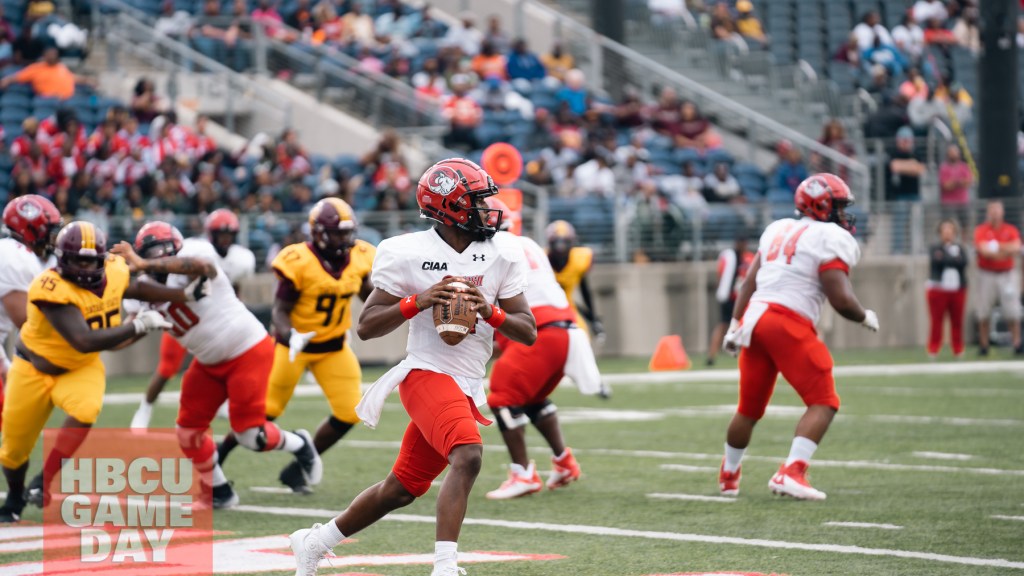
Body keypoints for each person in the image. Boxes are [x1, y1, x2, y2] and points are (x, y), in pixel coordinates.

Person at [288, 158, 536, 576]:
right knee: (469, 454)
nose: (487, 209)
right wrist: (416, 301)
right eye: (476, 202)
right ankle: (445, 567)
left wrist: (490, 313)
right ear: (449, 208)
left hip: (468, 382)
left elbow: (527, 331)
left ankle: (314, 542)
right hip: (424, 371)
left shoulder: (502, 252)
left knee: (400, 490)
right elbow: (366, 326)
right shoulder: (407, 252)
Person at [0, 221, 207, 522]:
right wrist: (136, 325)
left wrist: (185, 295)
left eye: (89, 259)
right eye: (76, 259)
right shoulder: (50, 287)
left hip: (79, 369)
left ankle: (45, 480)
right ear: (62, 259)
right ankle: (16, 497)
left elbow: (134, 287)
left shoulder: (115, 269)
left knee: (86, 409)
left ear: (101, 260)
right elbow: (82, 340)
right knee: (12, 451)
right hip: (32, 369)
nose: (84, 267)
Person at [114, 221, 321, 508]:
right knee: (187, 430)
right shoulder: (142, 291)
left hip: (247, 349)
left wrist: (145, 263)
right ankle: (219, 491)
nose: (158, 260)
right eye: (152, 254)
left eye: (163, 253)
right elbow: (127, 332)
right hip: (208, 361)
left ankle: (299, 443)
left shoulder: (196, 254)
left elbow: (203, 267)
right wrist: (105, 339)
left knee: (249, 435)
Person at [719, 173, 879, 501]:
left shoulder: (777, 228)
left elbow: (750, 281)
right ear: (822, 205)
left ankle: (729, 474)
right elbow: (840, 297)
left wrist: (735, 324)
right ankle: (791, 471)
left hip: (755, 320)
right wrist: (864, 316)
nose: (843, 214)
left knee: (748, 409)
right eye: (838, 206)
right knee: (824, 400)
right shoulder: (831, 237)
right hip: (786, 321)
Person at [217, 198, 374, 494]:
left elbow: (369, 295)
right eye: (338, 233)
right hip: (293, 349)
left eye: (347, 232)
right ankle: (217, 459)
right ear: (318, 232)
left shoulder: (360, 256)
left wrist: (396, 302)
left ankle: (299, 466)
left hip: (334, 348)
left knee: (351, 411)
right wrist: (289, 335)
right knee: (263, 415)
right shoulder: (298, 260)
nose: (345, 239)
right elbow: (280, 309)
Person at [483, 198, 600, 500]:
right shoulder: (530, 245)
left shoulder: (492, 250)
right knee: (532, 398)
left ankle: (522, 474)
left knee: (502, 394)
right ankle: (563, 462)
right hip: (565, 330)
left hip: (542, 332)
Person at [130, 209, 256, 429]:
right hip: (180, 320)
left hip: (209, 317)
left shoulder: (241, 259)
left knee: (225, 358)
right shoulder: (196, 250)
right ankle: (146, 407)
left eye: (229, 235)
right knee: (167, 368)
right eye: (221, 235)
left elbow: (232, 288)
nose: (225, 240)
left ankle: (223, 402)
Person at [0, 196, 61, 422]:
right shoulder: (15, 256)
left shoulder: (11, 252)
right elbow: (26, 322)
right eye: (48, 230)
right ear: (31, 228)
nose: (51, 238)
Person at [973, 200, 1022, 356]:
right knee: (983, 311)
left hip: (1007, 274)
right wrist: (1004, 250)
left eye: (997, 209)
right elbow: (984, 251)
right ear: (988, 212)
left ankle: (1017, 343)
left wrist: (997, 247)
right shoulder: (981, 230)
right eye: (991, 210)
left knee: (1012, 311)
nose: (994, 213)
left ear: (1002, 212)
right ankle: (984, 345)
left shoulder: (1010, 229)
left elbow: (1016, 247)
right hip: (986, 274)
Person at [548, 220, 604, 340]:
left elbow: (585, 290)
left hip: (568, 307)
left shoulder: (579, 260)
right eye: (557, 242)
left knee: (582, 335)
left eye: (564, 242)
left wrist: (593, 318)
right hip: (544, 308)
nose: (560, 248)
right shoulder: (541, 259)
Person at [707, 233, 755, 366]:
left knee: (736, 326)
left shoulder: (747, 258)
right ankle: (712, 355)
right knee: (724, 325)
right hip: (732, 298)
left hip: (738, 297)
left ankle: (737, 354)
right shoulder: (735, 257)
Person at [927, 220, 967, 359]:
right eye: (945, 230)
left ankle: (957, 348)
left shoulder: (960, 248)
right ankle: (933, 348)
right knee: (936, 321)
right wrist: (952, 258)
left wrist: (947, 258)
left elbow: (963, 262)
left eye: (950, 230)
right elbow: (937, 261)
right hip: (939, 289)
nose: (947, 233)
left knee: (957, 321)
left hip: (957, 289)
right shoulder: (935, 248)